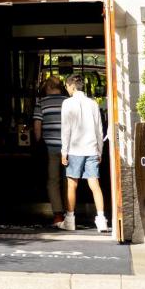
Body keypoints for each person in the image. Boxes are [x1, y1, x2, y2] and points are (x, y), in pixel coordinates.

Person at [59, 74, 108, 233]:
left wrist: (64, 151)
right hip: (91, 148)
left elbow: (66, 129)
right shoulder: (93, 103)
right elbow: (99, 129)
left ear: (72, 86)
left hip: (74, 149)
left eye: (66, 86)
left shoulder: (67, 103)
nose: (66, 89)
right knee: (95, 185)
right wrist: (100, 150)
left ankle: (70, 220)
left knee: (72, 185)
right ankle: (101, 220)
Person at [33, 75, 68, 227]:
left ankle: (58, 215)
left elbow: (37, 126)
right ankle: (70, 213)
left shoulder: (41, 103)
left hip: (51, 148)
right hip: (69, 147)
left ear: (48, 87)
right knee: (69, 180)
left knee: (53, 181)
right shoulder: (68, 102)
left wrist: (38, 141)